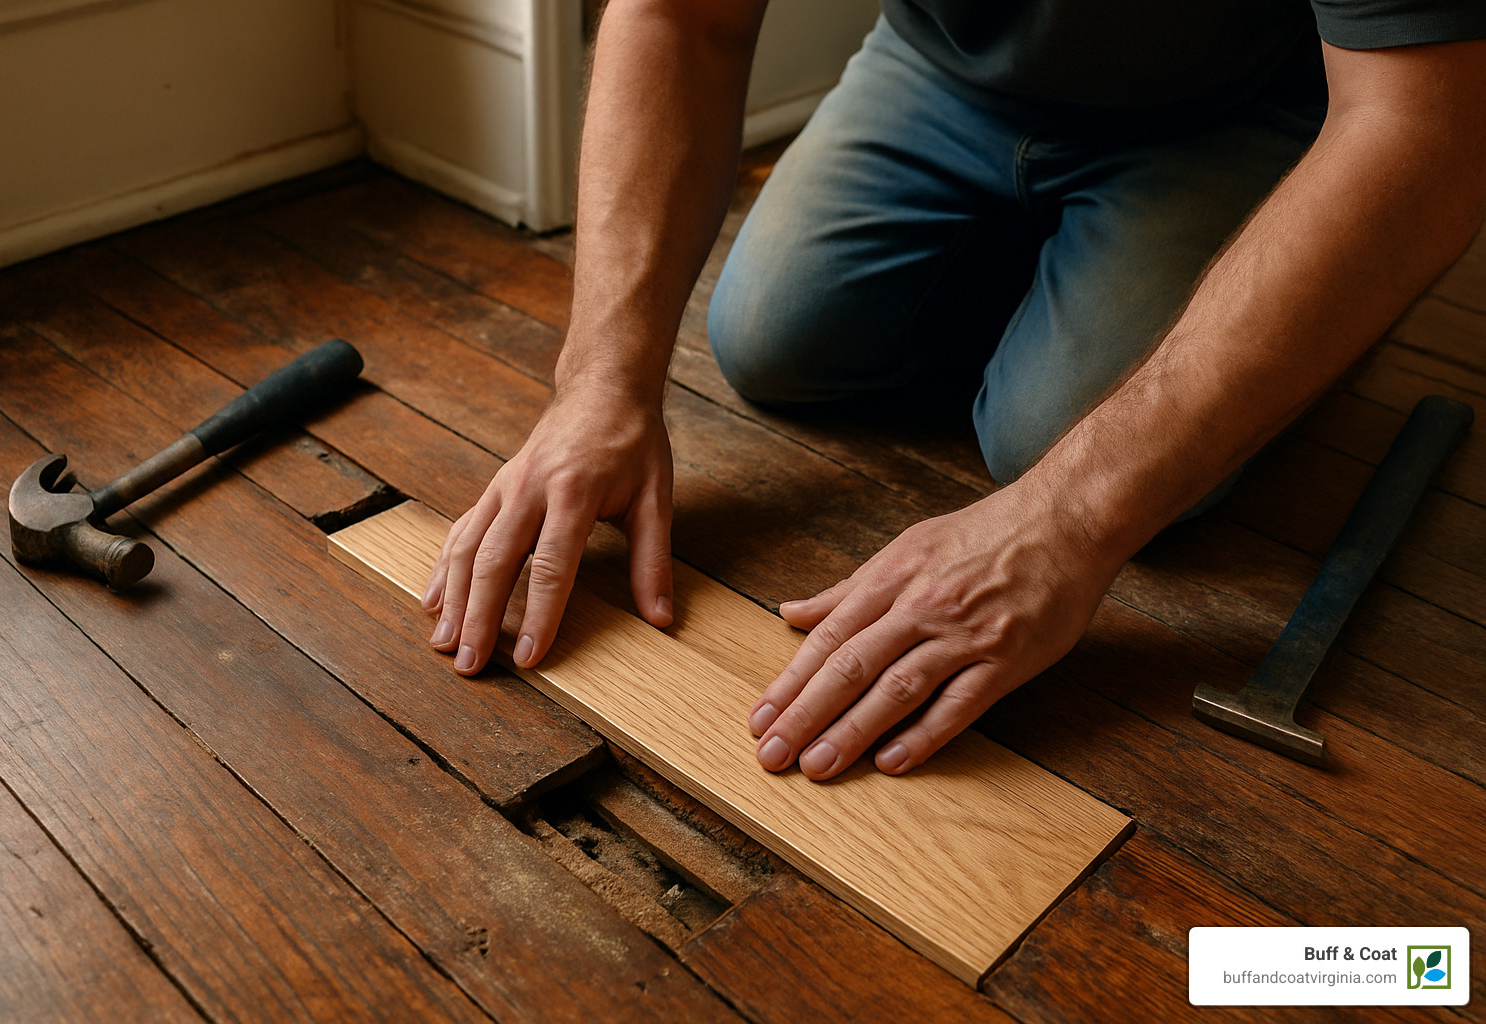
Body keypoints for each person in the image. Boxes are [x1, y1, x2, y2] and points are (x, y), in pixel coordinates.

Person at [422, 0, 1486, 782]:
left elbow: (1424, 125)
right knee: (772, 339)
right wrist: (597, 384)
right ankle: (1083, 263)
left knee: (1045, 435)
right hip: (946, 68)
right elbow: (680, 14)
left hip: (1244, 106)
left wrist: (1065, 516)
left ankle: (1301, 283)